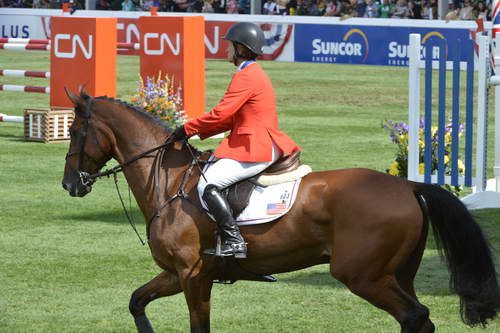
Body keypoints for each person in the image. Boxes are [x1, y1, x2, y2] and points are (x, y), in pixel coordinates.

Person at [172, 22, 300, 258]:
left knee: (207, 184)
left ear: (240, 48)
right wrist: (194, 132)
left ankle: (234, 240)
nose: (226, 50)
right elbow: (229, 120)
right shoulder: (252, 73)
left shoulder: (247, 76)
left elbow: (221, 113)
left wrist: (186, 128)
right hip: (258, 141)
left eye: (229, 45)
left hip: (256, 147)